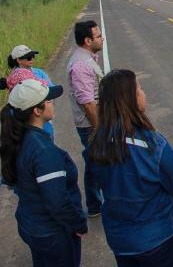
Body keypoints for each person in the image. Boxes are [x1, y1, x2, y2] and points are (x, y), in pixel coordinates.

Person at [87, 69, 173, 267]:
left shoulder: (96, 142)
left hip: (120, 240)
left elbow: (100, 186)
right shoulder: (151, 143)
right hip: (156, 238)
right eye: (140, 89)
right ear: (129, 100)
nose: (144, 93)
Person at [0, 79, 87, 267]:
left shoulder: (17, 137)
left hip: (31, 223)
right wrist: (77, 224)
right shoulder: (43, 152)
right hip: (52, 233)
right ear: (37, 111)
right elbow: (57, 202)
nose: (52, 103)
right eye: (48, 100)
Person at [66, 20, 104, 217]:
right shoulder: (81, 65)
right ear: (87, 40)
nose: (102, 38)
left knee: (95, 161)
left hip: (93, 122)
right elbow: (87, 103)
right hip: (90, 125)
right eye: (98, 36)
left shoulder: (88, 57)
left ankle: (96, 202)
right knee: (95, 163)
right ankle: (95, 204)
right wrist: (100, 129)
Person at [1, 44, 56, 137]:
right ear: (18, 60)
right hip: (32, 117)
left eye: (32, 56)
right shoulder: (15, 78)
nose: (32, 59)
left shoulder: (39, 72)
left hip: (43, 115)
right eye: (28, 57)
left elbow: (52, 90)